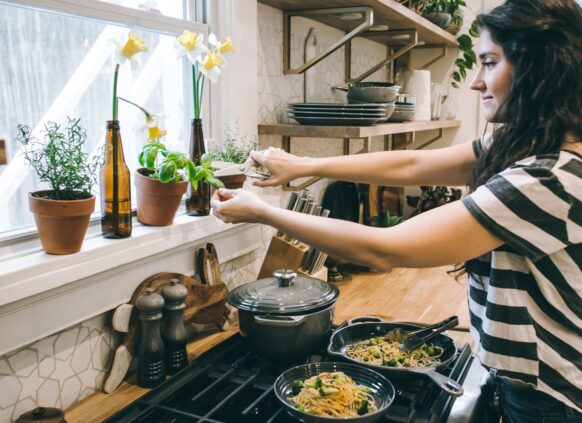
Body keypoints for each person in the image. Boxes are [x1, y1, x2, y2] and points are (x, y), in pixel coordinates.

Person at [211, 0, 582, 420]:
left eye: (489, 63)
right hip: (527, 377)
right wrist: (306, 165)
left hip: (552, 392)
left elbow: (384, 249)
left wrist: (262, 212)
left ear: (541, 69)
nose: (476, 83)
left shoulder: (548, 177)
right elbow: (413, 164)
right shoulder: (529, 144)